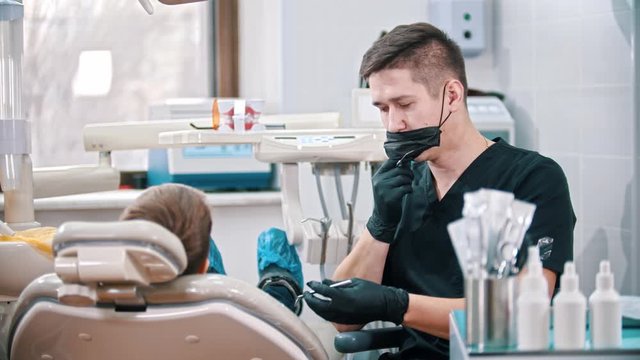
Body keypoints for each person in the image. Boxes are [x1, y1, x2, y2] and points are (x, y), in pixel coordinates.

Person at [303, 22, 576, 359]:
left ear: (452, 95)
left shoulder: (532, 178)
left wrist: (398, 305)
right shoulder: (403, 186)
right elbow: (345, 322)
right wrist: (380, 225)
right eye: (383, 108)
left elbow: (521, 310)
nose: (393, 124)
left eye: (404, 104)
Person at [119, 183, 304, 314]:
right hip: (238, 331)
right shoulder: (239, 326)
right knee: (275, 305)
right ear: (202, 267)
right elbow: (271, 329)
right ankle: (279, 289)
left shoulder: (101, 313)